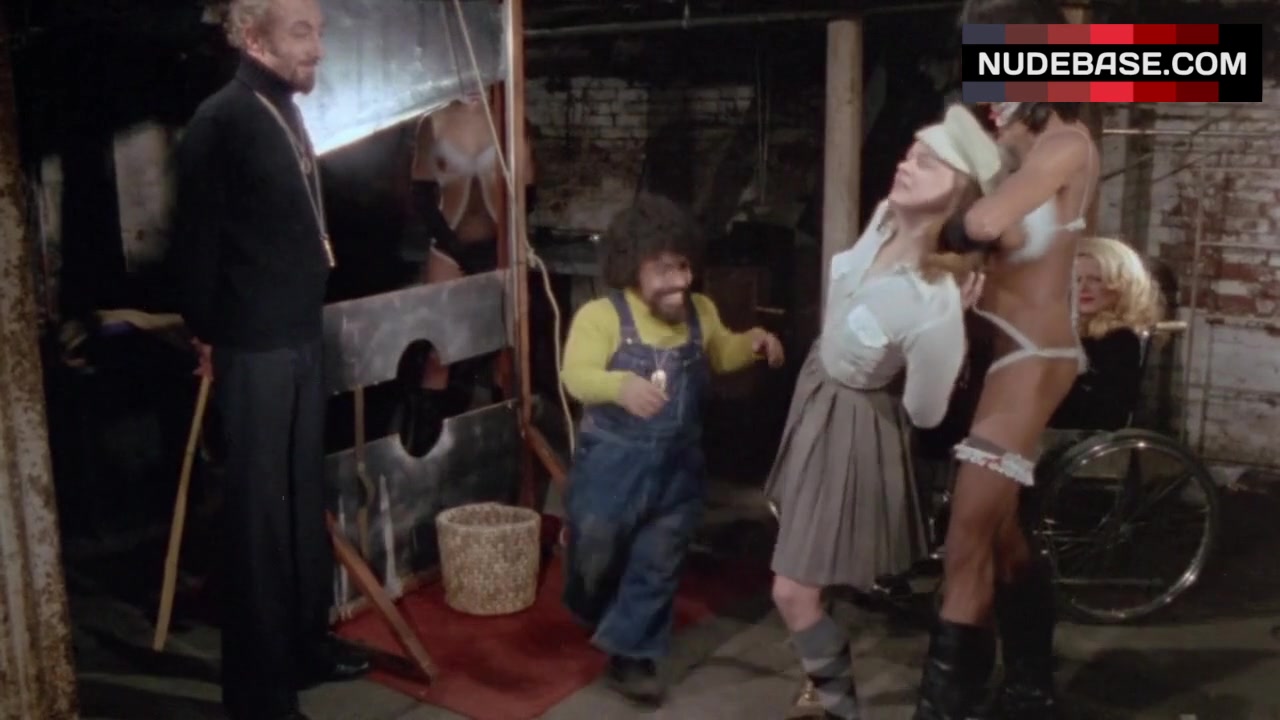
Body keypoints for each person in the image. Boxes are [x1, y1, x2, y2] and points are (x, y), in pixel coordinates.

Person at [170, 1, 369, 717]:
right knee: (259, 524)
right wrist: (206, 333)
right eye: (301, 33)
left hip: (299, 337)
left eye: (319, 31)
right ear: (253, 38)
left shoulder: (283, 108)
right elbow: (195, 243)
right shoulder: (220, 121)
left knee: (300, 506)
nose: (317, 48)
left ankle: (304, 647)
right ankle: (258, 695)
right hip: (253, 347)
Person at [766, 105, 997, 720]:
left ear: (961, 195)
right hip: (818, 389)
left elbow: (926, 412)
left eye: (928, 162)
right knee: (806, 562)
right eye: (911, 152)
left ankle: (838, 704)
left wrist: (903, 362)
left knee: (792, 590)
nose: (907, 164)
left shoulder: (934, 302)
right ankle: (821, 686)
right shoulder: (883, 219)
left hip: (853, 419)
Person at [911, 75, 1100, 720]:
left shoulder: (1067, 145)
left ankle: (944, 709)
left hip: (1033, 358)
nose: (990, 95)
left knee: (965, 538)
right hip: (992, 355)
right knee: (998, 530)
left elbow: (987, 222)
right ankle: (1029, 685)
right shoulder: (1014, 150)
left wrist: (943, 225)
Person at [559, 193, 785, 706]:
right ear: (631, 267)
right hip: (611, 465)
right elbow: (575, 375)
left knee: (658, 561)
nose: (681, 280)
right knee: (596, 550)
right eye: (663, 270)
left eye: (683, 266)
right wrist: (619, 386)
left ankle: (632, 656)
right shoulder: (601, 316)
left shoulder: (701, 311)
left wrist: (750, 343)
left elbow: (721, 354)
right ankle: (589, 602)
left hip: (678, 467)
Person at [1049, 236, 1164, 431]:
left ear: (1121, 284)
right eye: (1076, 279)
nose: (1083, 288)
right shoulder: (1066, 330)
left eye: (1096, 279)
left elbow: (1107, 415)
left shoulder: (1121, 340)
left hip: (1079, 437)